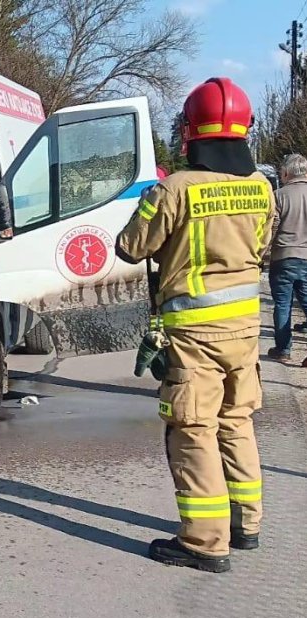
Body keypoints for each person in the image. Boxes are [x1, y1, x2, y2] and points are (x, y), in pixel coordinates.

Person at [116, 78, 272, 573]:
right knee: (236, 420)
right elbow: (260, 249)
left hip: (195, 335)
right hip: (246, 328)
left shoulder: (174, 189)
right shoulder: (261, 187)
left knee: (193, 428)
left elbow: (131, 246)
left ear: (191, 131)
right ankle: (246, 523)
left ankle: (204, 543)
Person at [264, 154, 307, 361]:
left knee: (282, 304)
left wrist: (262, 252)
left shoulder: (279, 195)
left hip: (283, 257)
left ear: (287, 173)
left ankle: (284, 350)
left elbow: (271, 227)